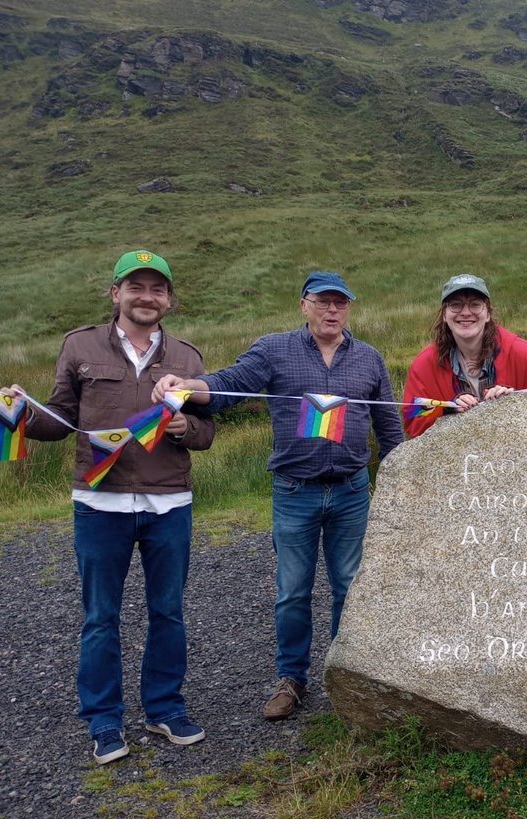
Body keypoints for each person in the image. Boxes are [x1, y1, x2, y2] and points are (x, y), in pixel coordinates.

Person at [152, 271, 403, 721]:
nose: (332, 311)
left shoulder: (370, 358)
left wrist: (401, 484)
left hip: (351, 492)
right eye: (323, 302)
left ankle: (350, 676)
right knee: (292, 592)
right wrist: (188, 386)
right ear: (303, 304)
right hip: (294, 493)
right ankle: (292, 678)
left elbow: (389, 429)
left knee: (351, 587)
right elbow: (227, 386)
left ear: (348, 308)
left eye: (340, 303)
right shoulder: (273, 349)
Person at [4, 250, 214, 764]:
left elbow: (207, 433)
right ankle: (103, 720)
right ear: (115, 292)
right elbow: (60, 418)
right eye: (136, 287)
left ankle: (164, 707)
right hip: (100, 503)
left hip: (170, 501)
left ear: (169, 299)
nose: (147, 297)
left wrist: (189, 430)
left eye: (157, 289)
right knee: (101, 616)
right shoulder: (79, 345)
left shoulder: (187, 357)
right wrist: (21, 414)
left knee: (168, 612)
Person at [403, 273, 527, 437]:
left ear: (488, 314)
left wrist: (516, 403)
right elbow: (412, 420)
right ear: (444, 315)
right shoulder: (424, 365)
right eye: (456, 305)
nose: (465, 312)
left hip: (517, 459)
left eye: (475, 305)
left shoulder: (526, 356)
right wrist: (445, 410)